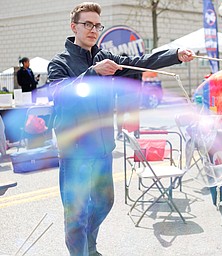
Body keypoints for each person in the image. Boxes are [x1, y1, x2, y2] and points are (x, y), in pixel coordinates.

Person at [47, 2, 194, 256]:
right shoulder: (59, 63)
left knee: (105, 203)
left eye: (97, 25)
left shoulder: (106, 57)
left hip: (104, 150)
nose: (93, 29)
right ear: (74, 27)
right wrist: (93, 73)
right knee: (76, 215)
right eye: (87, 24)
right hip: (76, 154)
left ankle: (89, 246)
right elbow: (60, 95)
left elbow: (140, 62)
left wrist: (176, 54)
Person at [115, 53, 142, 140]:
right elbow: (139, 81)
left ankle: (120, 133)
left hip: (123, 95)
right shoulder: (133, 67)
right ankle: (136, 132)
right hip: (130, 95)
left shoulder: (118, 69)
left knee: (120, 116)